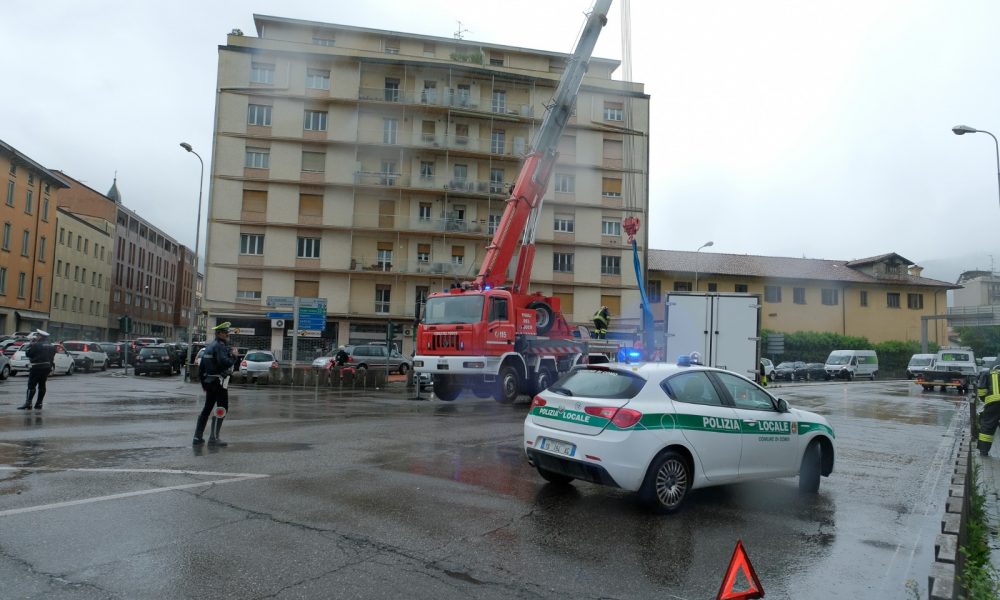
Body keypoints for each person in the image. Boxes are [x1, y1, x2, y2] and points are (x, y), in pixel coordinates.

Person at [193, 322, 238, 446]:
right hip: (219, 382)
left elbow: (201, 368)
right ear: (219, 333)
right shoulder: (220, 346)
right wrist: (234, 356)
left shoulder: (210, 346)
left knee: (207, 409)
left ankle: (197, 437)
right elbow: (224, 362)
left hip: (209, 382)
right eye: (225, 333)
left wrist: (204, 383)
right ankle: (213, 438)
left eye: (227, 332)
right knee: (222, 408)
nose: (227, 335)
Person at [17, 330, 56, 410]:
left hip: (36, 367)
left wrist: (31, 344)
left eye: (37, 335)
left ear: (41, 336)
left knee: (31, 385)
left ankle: (28, 403)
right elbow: (52, 356)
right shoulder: (51, 345)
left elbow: (28, 353)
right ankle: (39, 403)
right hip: (47, 368)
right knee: (42, 385)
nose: (36, 337)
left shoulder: (36, 345)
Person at [976, 364, 1000, 456]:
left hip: (992, 404)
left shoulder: (988, 373)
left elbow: (981, 391)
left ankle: (983, 451)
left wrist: (985, 400)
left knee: (987, 426)